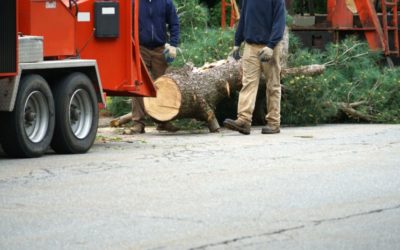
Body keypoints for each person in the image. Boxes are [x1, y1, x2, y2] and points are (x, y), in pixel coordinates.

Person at [224, 0, 286, 135]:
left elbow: (279, 23)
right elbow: (244, 18)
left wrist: (271, 46)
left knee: (273, 85)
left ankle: (274, 123)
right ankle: (244, 121)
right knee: (248, 83)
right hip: (250, 46)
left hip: (270, 47)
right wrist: (237, 42)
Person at [130, 0, 180, 133]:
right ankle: (138, 123)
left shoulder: (166, 2)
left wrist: (173, 45)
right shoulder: (134, 2)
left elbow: (174, 23)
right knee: (138, 85)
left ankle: (163, 122)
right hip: (140, 48)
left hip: (160, 49)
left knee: (162, 85)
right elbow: (126, 23)